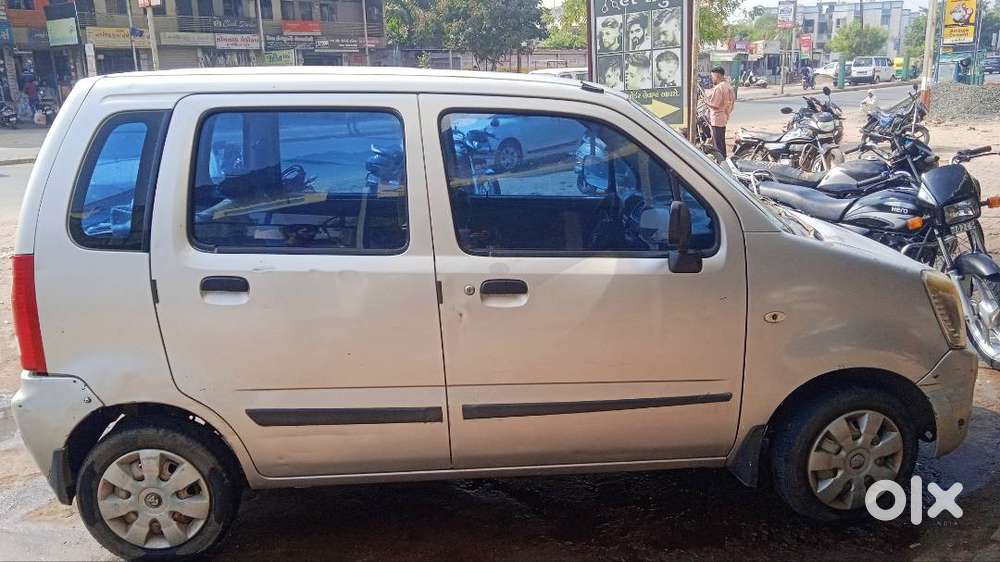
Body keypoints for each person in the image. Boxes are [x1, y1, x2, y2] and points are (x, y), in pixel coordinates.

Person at [701, 66, 736, 158]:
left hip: (717, 118)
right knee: (721, 141)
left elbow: (715, 105)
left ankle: (720, 161)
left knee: (717, 143)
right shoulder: (728, 86)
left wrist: (706, 102)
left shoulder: (719, 88)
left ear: (718, 75)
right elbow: (732, 102)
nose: (712, 78)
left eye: (713, 76)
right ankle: (723, 159)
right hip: (724, 116)